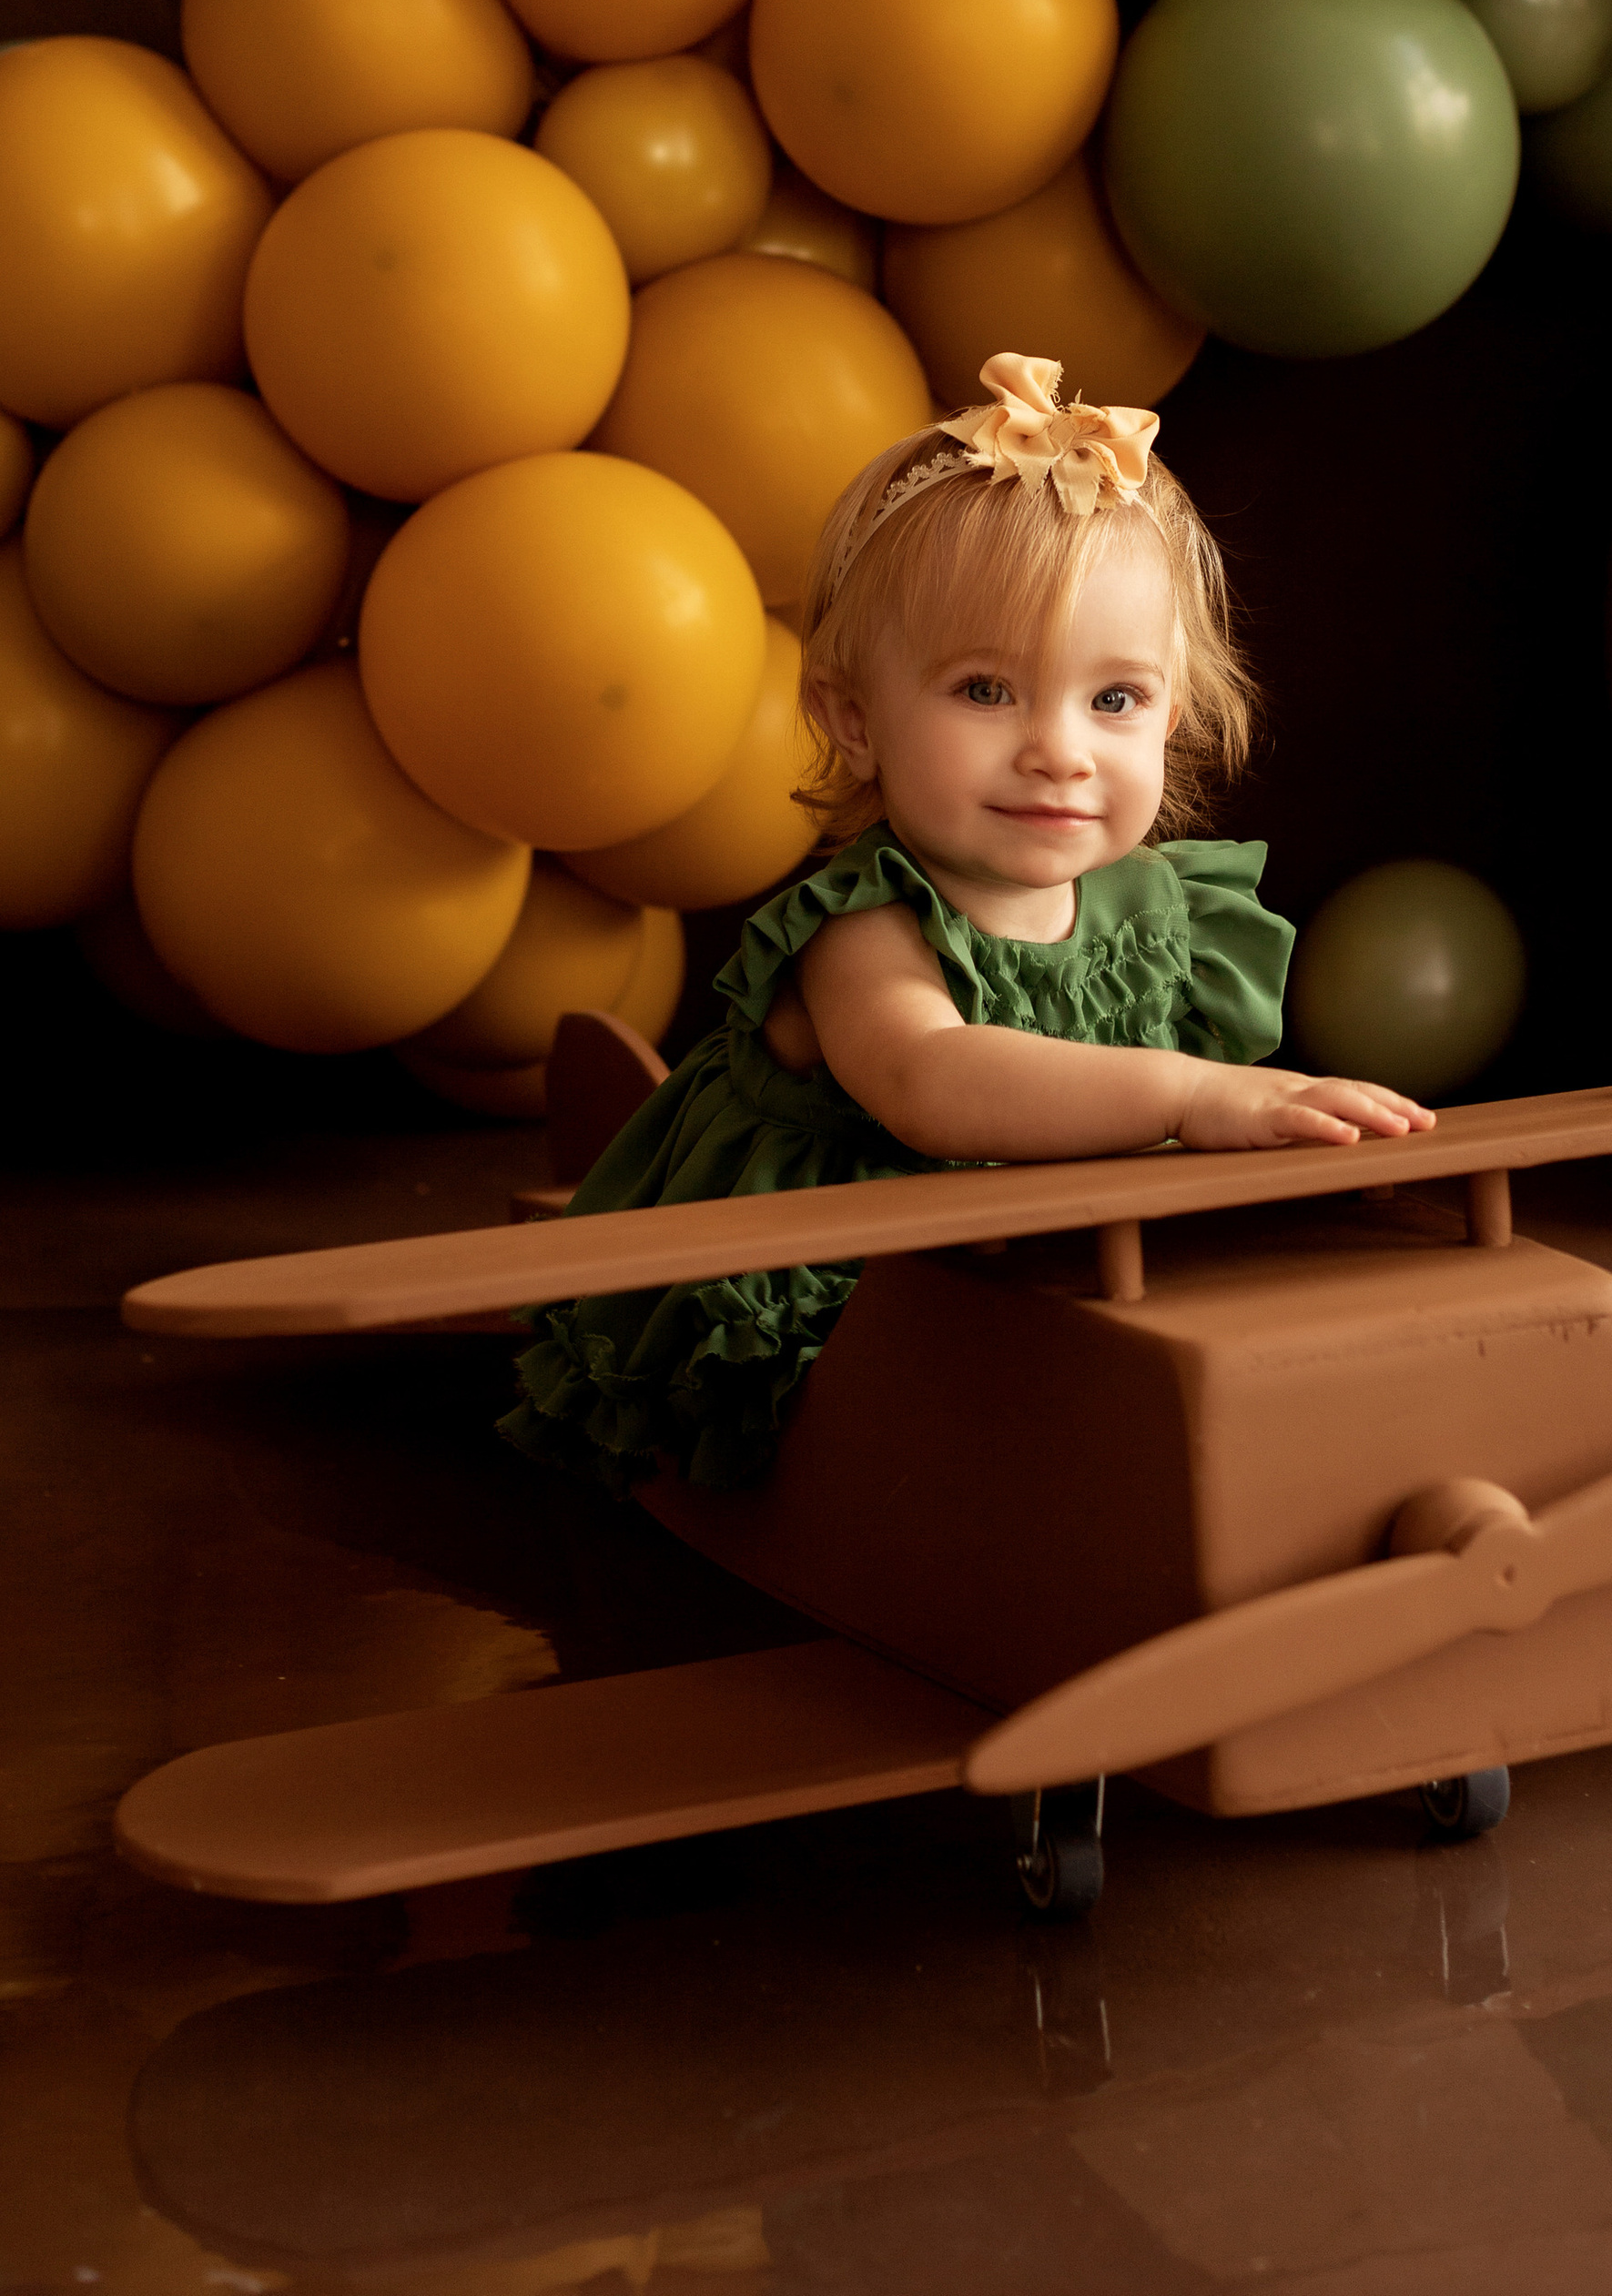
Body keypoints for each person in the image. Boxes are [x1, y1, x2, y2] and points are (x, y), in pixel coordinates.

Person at [505, 352, 1434, 1491]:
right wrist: (1192, 1098)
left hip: (1042, 1250)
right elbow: (931, 1082)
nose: (1059, 748)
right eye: (986, 690)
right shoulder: (866, 926)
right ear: (854, 721)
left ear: (1170, 716)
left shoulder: (1167, 905)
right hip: (850, 1261)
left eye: (1114, 700)